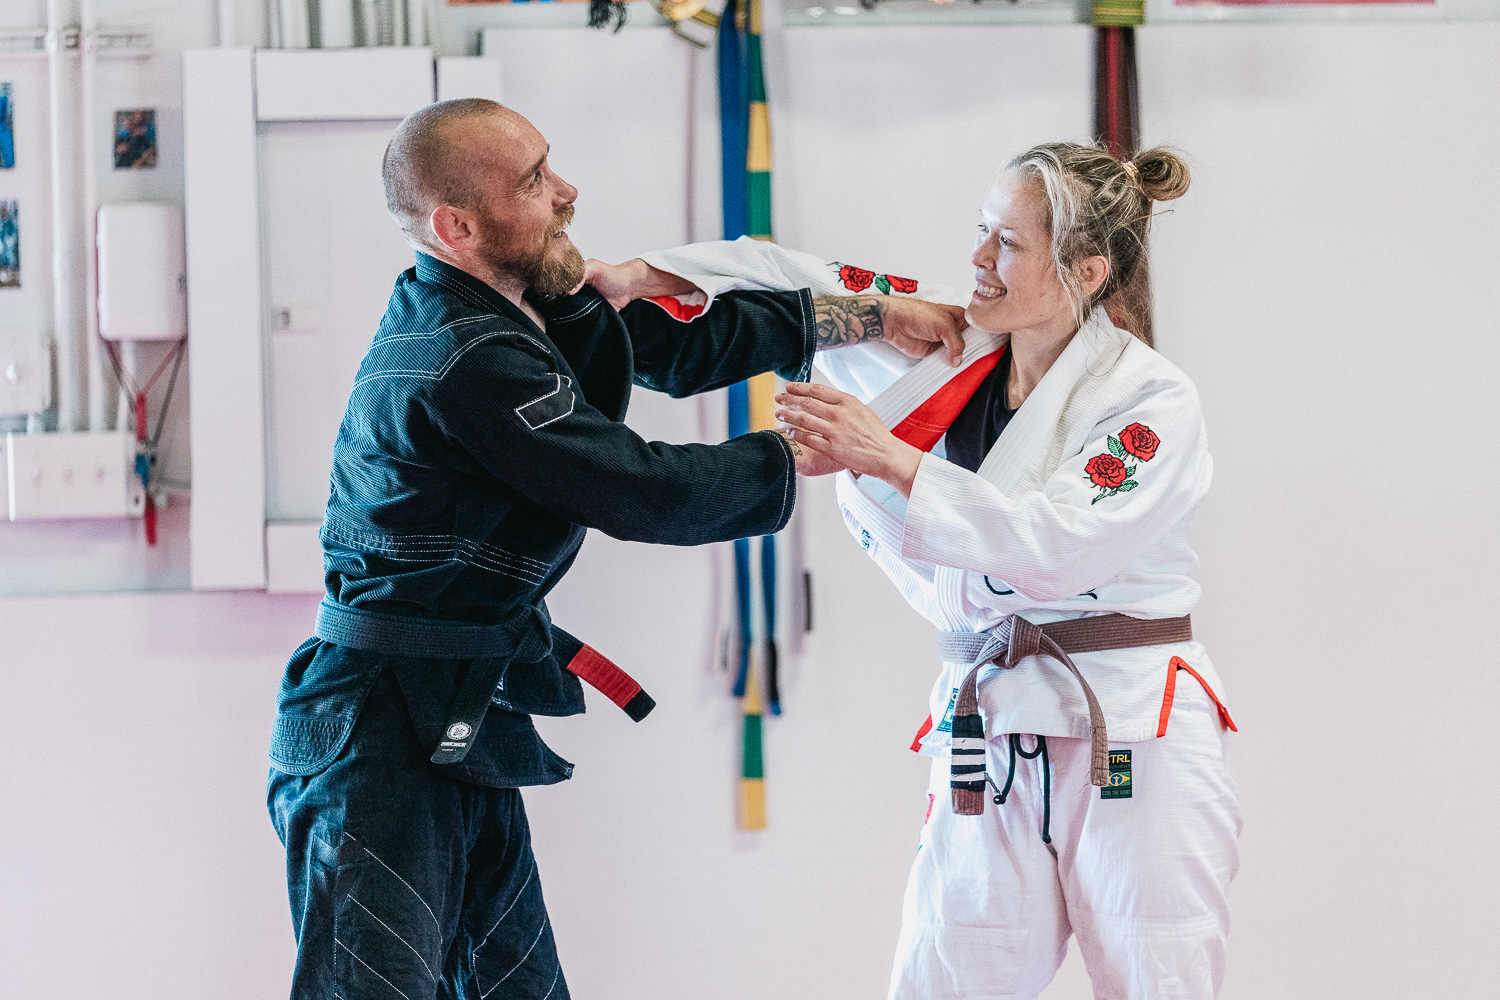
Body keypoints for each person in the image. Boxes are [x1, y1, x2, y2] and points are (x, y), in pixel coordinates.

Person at [264, 97, 965, 1000]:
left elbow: (680, 345)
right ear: (459, 226)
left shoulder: (511, 300)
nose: (567, 192)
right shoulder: (461, 354)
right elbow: (636, 488)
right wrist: (801, 452)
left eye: (550, 165)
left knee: (514, 986)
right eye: (534, 183)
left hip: (450, 715)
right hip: (376, 737)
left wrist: (865, 318)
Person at [614, 142, 1241, 999]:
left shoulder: (1149, 400)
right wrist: (639, 275)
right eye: (982, 231)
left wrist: (891, 461)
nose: (979, 259)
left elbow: (1057, 547)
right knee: (947, 974)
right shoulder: (942, 346)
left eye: (1009, 244)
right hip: (988, 721)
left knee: (1156, 976)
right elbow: (793, 271)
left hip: (1130, 723)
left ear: (1088, 272)